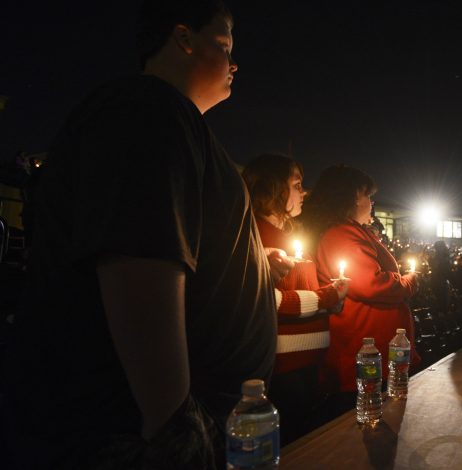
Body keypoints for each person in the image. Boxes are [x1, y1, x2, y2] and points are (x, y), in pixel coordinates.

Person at [2, 1, 276, 468]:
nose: (234, 64)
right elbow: (139, 261)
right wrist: (172, 425)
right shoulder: (148, 108)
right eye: (224, 45)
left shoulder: (175, 124)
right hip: (144, 434)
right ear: (183, 37)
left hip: (203, 420)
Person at [242, 153, 349, 444]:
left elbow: (306, 291)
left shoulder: (288, 233)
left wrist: (334, 298)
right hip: (283, 367)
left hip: (309, 361)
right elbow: (271, 300)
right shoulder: (254, 235)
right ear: (273, 187)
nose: (303, 192)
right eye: (297, 184)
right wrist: (327, 297)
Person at [299, 165, 419, 413]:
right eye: (367, 195)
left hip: (377, 348)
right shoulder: (341, 234)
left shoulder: (353, 231)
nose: (372, 202)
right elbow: (370, 284)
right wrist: (408, 281)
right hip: (363, 348)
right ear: (350, 196)